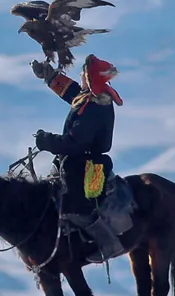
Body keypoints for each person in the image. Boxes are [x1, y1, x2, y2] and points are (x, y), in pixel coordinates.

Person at [30, 54, 126, 259]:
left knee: (76, 207)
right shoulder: (91, 97)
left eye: (83, 73)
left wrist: (46, 141)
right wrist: (50, 76)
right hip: (75, 161)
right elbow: (72, 92)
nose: (80, 75)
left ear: (90, 78)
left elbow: (74, 143)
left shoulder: (94, 108)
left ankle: (108, 244)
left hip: (85, 166)